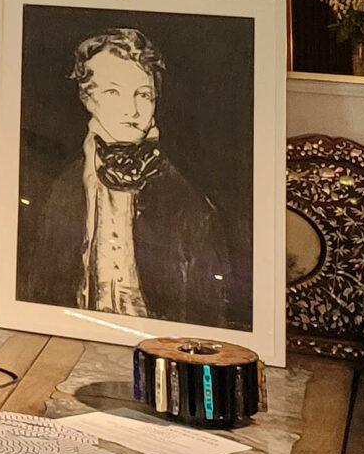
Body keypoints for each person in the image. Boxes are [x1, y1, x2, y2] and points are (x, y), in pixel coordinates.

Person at [17, 28, 245, 329]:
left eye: (143, 95)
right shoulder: (63, 189)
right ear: (87, 98)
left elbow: (205, 316)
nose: (132, 110)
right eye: (113, 92)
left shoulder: (187, 203)